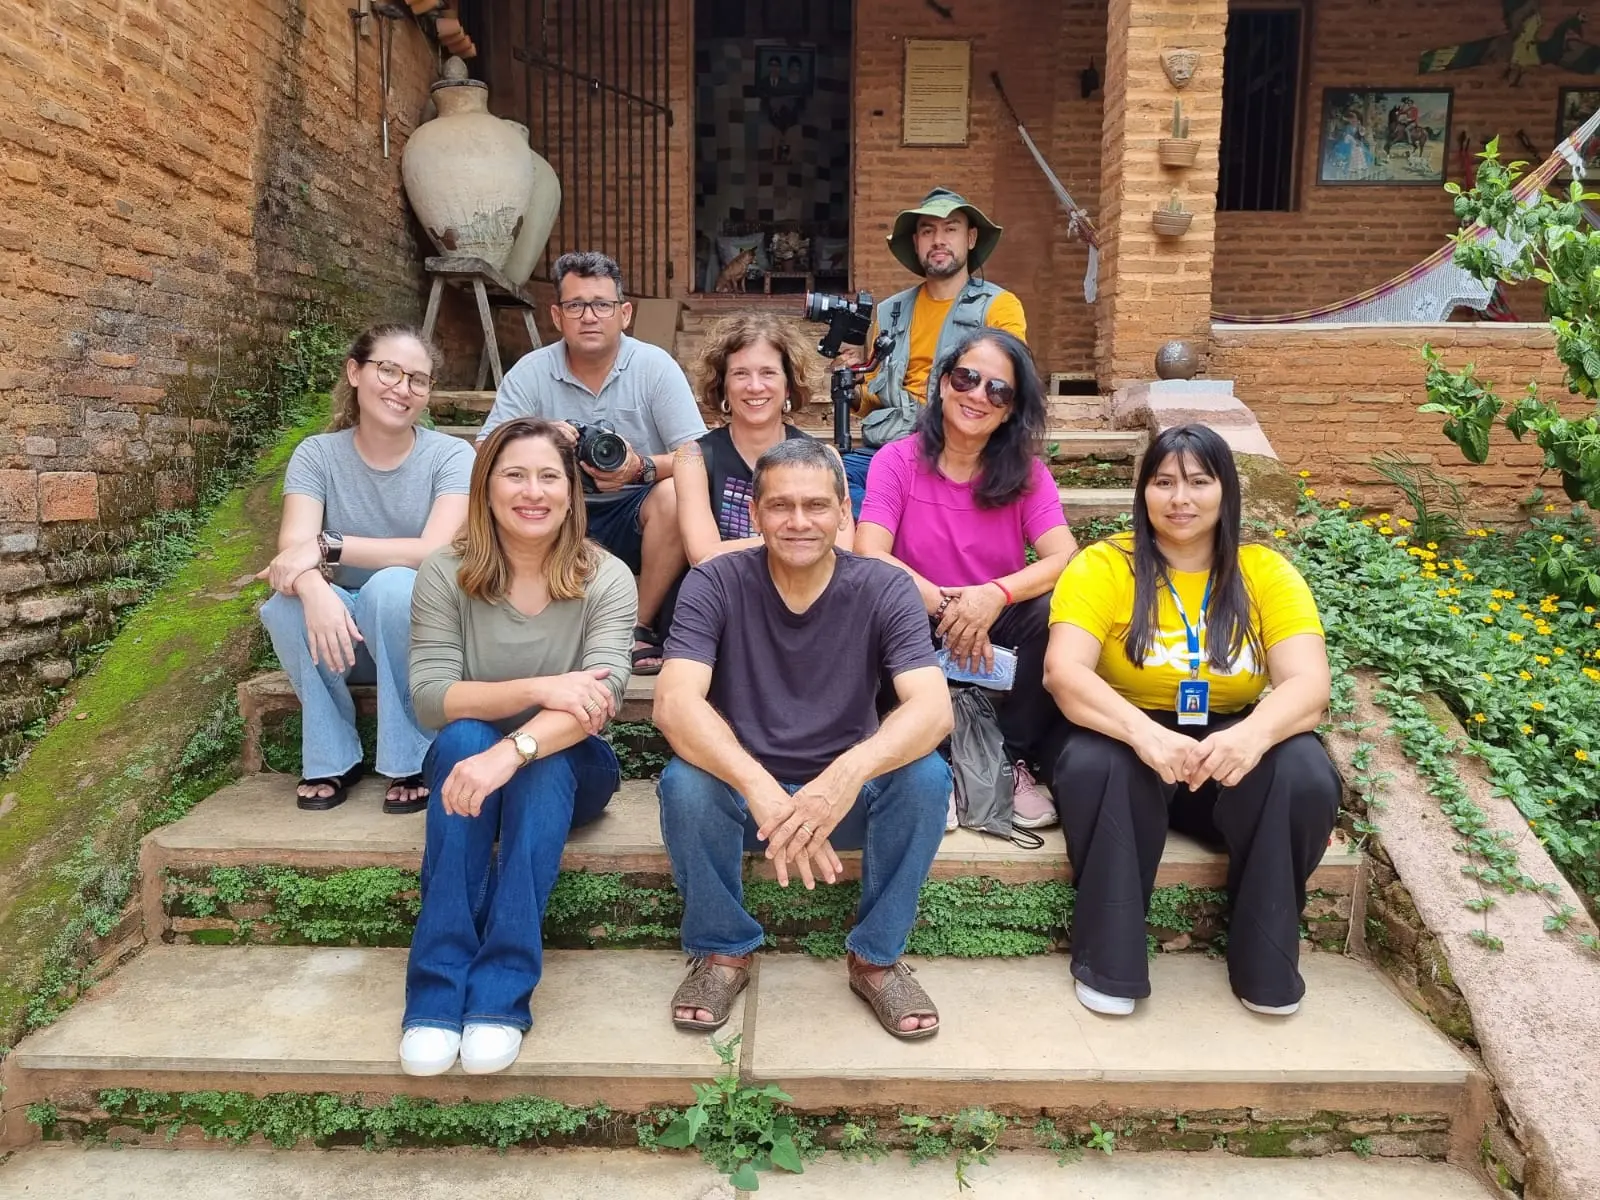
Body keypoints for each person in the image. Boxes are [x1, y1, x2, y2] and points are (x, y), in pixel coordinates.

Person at [653, 439, 953, 1040]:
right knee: (685, 784)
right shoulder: (715, 581)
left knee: (926, 777)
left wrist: (844, 777)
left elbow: (934, 709)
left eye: (816, 506)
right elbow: (672, 702)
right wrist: (758, 786)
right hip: (746, 803)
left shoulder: (883, 588)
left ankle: (876, 957)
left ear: (845, 512)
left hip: (845, 803)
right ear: (756, 515)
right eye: (781, 506)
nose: (798, 522)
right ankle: (722, 951)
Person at [1043, 424, 1340, 1019]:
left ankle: (1267, 965)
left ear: (1226, 492)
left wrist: (1249, 738)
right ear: (1144, 492)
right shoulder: (1105, 566)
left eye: (1199, 482)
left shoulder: (1265, 573)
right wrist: (1146, 734)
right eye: (1164, 482)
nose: (1181, 499)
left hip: (1227, 746)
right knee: (1099, 762)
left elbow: (1310, 687)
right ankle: (1110, 962)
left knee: (1304, 770)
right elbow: (1063, 673)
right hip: (1128, 738)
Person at [399, 417, 637, 1077]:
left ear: (570, 491)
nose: (532, 492)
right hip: (467, 757)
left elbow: (598, 702)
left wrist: (517, 747)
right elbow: (430, 696)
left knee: (536, 762)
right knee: (465, 735)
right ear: (487, 486)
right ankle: (437, 995)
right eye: (514, 474)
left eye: (548, 477)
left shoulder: (606, 578)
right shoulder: (446, 571)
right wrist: (541, 687)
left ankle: (502, 995)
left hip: (572, 765)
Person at [856, 329, 1075, 831]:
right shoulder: (898, 460)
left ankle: (1010, 760)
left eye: (997, 390)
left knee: (1052, 611)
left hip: (992, 622)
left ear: (1009, 410)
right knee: (879, 600)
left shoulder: (1027, 474)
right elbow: (869, 549)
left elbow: (1065, 556)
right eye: (967, 378)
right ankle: (931, 761)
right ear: (942, 385)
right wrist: (938, 602)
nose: (978, 395)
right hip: (915, 617)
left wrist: (994, 595)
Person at [258, 323, 472, 814]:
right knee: (285, 604)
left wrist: (329, 546)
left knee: (394, 586)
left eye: (418, 379)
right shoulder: (317, 454)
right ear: (355, 372)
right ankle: (332, 756)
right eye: (389, 370)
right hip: (338, 638)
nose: (402, 388)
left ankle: (413, 756)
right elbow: (293, 550)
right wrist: (314, 592)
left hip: (418, 635)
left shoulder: (451, 456)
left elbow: (431, 551)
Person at [478, 251, 706, 674]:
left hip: (633, 510)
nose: (589, 316)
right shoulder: (531, 372)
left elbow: (697, 453)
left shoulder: (655, 367)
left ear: (624, 313)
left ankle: (637, 626)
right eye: (575, 305)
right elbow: (484, 447)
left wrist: (639, 468)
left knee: (677, 494)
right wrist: (540, 433)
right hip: (556, 508)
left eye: (601, 305)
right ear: (556, 315)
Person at [837, 186, 1028, 516]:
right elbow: (875, 398)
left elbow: (1009, 387)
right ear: (916, 243)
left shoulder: (999, 307)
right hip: (889, 448)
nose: (938, 240)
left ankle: (892, 525)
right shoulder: (890, 312)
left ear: (970, 238)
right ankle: (896, 523)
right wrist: (850, 384)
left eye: (950, 229)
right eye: (928, 230)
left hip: (959, 450)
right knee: (828, 480)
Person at [675, 313, 853, 563]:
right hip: (724, 595)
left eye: (768, 373)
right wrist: (798, 540)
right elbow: (703, 556)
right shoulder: (693, 458)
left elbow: (842, 551)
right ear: (723, 386)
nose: (755, 386)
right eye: (740, 374)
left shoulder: (824, 457)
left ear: (788, 385)